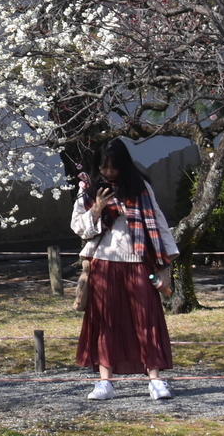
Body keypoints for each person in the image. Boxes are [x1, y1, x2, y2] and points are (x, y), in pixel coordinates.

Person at [72, 138, 179, 401]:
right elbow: (78, 227)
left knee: (147, 319)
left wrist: (164, 265)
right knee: (105, 321)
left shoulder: (140, 187)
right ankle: (104, 382)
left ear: (124, 165)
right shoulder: (89, 189)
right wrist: (96, 209)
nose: (108, 171)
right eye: (104, 166)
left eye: (113, 166)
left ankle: (154, 380)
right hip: (104, 261)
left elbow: (159, 224)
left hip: (139, 260)